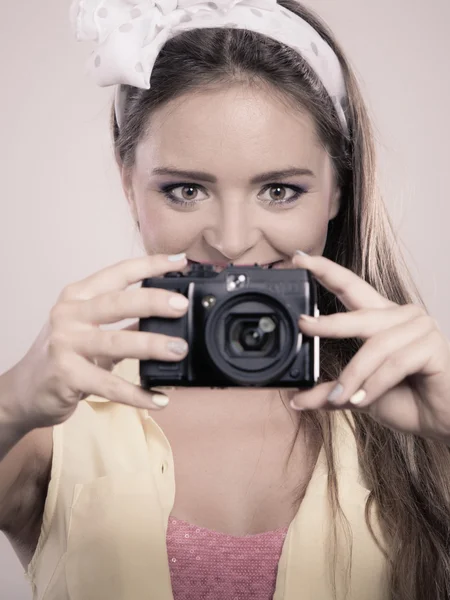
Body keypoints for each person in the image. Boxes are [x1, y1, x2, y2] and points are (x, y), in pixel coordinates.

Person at [0, 0, 450, 598]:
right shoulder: (53, 424)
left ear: (338, 190)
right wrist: (12, 402)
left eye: (280, 190)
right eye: (185, 190)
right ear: (128, 183)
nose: (232, 242)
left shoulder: (414, 421)